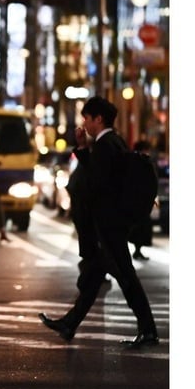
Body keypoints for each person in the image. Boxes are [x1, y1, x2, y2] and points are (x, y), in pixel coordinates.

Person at [38, 96, 160, 348]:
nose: (85, 123)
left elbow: (98, 183)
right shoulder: (113, 142)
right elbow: (102, 176)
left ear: (98, 119)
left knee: (126, 277)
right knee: (94, 276)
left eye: (87, 118)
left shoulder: (105, 145)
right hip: (113, 222)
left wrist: (84, 204)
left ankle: (148, 330)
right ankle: (69, 324)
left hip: (109, 224)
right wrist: (83, 149)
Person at [128, 140, 154, 260]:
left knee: (141, 228)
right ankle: (137, 250)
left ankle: (138, 250)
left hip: (140, 199)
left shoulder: (137, 161)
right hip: (139, 200)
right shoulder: (140, 161)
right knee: (139, 227)